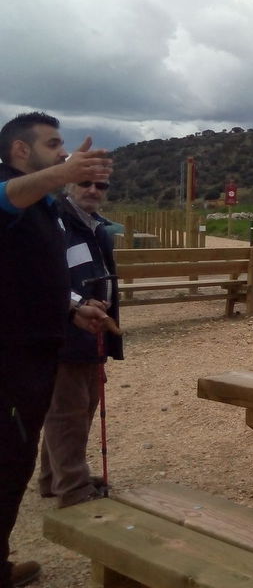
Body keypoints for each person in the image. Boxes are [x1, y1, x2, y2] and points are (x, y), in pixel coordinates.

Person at [0, 112, 112, 588]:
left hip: (39, 350)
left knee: (16, 460)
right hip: (9, 357)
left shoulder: (42, 205)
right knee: (5, 460)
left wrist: (72, 309)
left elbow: (32, 274)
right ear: (20, 151)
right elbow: (7, 196)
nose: (63, 152)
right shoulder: (11, 193)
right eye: (53, 144)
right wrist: (64, 174)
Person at [38, 179, 124, 509]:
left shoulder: (95, 226)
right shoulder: (56, 223)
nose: (93, 190)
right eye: (85, 183)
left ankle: (54, 478)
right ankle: (73, 488)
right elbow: (44, 277)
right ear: (69, 184)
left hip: (91, 332)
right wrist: (77, 304)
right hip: (65, 333)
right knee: (68, 412)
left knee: (78, 406)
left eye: (101, 184)